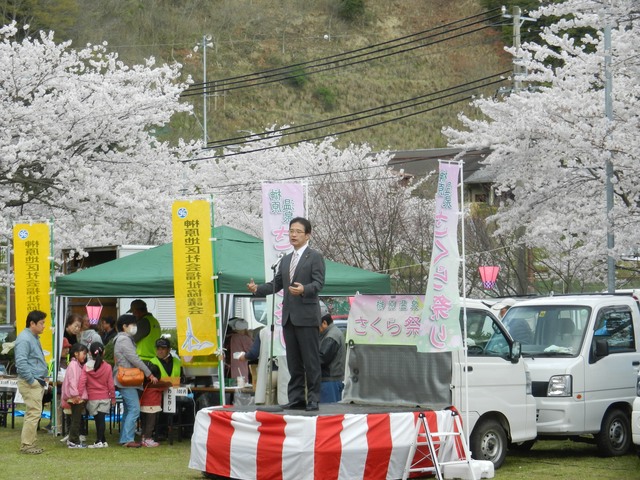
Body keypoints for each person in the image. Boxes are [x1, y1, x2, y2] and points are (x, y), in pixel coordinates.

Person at [247, 217, 326, 412]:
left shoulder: (314, 257)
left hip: (307, 316)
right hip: (289, 317)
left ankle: (313, 398)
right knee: (293, 361)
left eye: (298, 231)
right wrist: (257, 289)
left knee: (311, 360)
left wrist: (304, 289)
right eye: (291, 231)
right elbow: (275, 284)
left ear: (308, 235)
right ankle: (297, 398)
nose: (293, 234)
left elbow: (318, 283)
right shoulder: (286, 259)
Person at [113, 314, 158, 447]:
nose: (135, 327)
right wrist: (149, 374)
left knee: (129, 410)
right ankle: (128, 439)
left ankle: (125, 439)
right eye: (132, 324)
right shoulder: (124, 340)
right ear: (124, 326)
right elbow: (134, 359)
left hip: (127, 379)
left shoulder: (123, 339)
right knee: (134, 409)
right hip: (127, 379)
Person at [14, 310, 49, 454]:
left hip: (36, 380)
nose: (44, 326)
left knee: (34, 412)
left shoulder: (32, 337)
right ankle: (27, 445)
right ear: (32, 323)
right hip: (30, 382)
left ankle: (30, 443)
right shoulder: (25, 339)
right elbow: (21, 363)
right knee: (33, 413)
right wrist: (32, 380)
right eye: (41, 323)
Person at [85, 342, 115, 448]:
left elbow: (83, 382)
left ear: (89, 353)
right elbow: (110, 384)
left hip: (92, 397)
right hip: (105, 396)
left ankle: (99, 440)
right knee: (101, 419)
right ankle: (102, 440)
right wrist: (113, 398)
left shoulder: (86, 367)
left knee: (98, 419)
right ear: (104, 352)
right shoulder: (107, 367)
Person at [61, 342, 89, 448]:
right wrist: (76, 395)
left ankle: (73, 440)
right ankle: (73, 441)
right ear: (76, 353)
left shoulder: (76, 364)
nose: (85, 356)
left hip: (75, 396)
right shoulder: (73, 365)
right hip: (75, 397)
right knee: (76, 420)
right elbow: (72, 381)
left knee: (76, 419)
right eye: (84, 353)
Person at [139, 363, 170, 447]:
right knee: (150, 424)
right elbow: (168, 385)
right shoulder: (156, 384)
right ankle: (148, 439)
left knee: (145, 424)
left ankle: (143, 438)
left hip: (143, 405)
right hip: (152, 406)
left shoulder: (144, 383)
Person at [318, 313, 346, 403]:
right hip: (331, 381)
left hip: (329, 381)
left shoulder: (331, 336)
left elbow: (322, 358)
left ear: (324, 323)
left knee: (328, 414)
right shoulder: (333, 333)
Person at [227, 318, 253, 383]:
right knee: (242, 385)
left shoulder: (230, 337)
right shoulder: (244, 338)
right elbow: (252, 351)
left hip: (229, 367)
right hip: (240, 366)